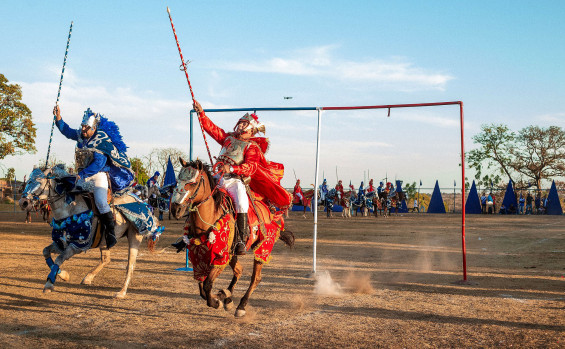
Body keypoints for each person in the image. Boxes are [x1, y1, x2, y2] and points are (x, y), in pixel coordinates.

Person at [193, 100, 291, 255]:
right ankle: (190, 232)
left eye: (244, 123)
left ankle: (241, 239)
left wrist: (231, 168)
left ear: (251, 129)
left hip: (234, 181)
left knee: (241, 202)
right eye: (240, 122)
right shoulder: (227, 138)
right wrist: (202, 114)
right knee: (197, 191)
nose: (240, 125)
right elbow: (212, 129)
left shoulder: (252, 147)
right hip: (217, 177)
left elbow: (251, 167)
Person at [53, 105, 134, 249]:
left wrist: (81, 175)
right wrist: (59, 118)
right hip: (82, 175)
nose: (83, 130)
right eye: (82, 126)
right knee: (66, 192)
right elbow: (67, 131)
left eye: (86, 128)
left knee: (102, 203)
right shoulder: (81, 135)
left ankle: (111, 234)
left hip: (98, 176)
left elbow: (98, 163)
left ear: (94, 128)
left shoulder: (101, 140)